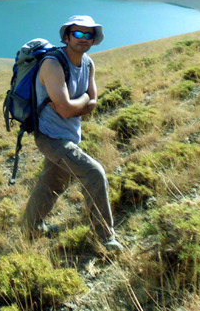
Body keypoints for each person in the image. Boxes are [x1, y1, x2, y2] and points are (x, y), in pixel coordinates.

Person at [23, 15, 123, 251]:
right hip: (49, 137)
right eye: (77, 34)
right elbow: (67, 109)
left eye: (88, 35)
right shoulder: (52, 64)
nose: (83, 39)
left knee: (52, 182)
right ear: (66, 37)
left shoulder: (88, 63)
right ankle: (104, 238)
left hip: (69, 136)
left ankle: (30, 228)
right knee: (94, 173)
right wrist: (85, 99)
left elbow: (93, 103)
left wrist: (83, 102)